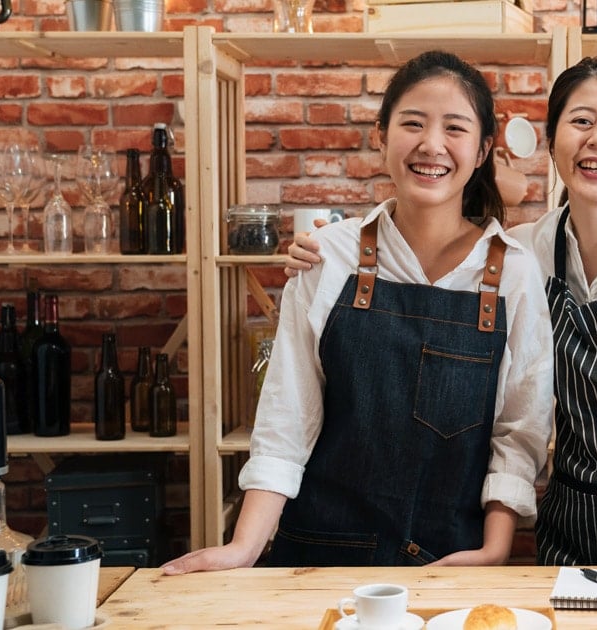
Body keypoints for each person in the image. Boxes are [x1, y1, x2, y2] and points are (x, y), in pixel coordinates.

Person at [285, 56, 597, 566]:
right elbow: (432, 232)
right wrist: (327, 251)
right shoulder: (529, 251)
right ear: (552, 143)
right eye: (581, 121)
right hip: (576, 532)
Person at [163, 50, 553, 574]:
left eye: (454, 128)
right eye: (412, 123)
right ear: (380, 134)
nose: (431, 145)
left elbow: (519, 430)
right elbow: (288, 415)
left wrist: (495, 549)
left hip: (449, 563)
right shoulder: (330, 255)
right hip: (319, 558)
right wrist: (244, 548)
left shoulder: (515, 272)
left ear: (483, 150)